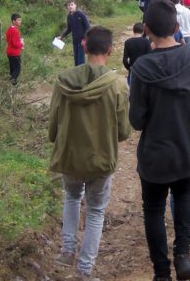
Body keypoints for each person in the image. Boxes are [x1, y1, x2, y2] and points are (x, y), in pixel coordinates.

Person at [130, 0, 190, 281]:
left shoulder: (141, 69)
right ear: (176, 26)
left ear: (146, 29)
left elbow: (136, 121)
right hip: (188, 151)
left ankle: (161, 273)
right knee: (185, 195)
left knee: (154, 210)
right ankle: (183, 254)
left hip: (154, 157)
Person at [49, 26, 130, 280]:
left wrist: (58, 140)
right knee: (95, 211)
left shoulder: (63, 80)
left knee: (72, 198)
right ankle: (85, 270)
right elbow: (124, 131)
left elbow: (53, 125)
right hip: (101, 159)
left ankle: (67, 252)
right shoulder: (117, 85)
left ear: (84, 46)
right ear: (110, 50)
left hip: (70, 158)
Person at [59, 0, 92, 66]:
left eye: (72, 4)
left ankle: (81, 74)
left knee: (80, 58)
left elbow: (88, 27)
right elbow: (69, 29)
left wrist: (85, 39)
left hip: (82, 40)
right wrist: (61, 36)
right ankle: (77, 73)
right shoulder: (69, 17)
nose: (70, 6)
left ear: (75, 5)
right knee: (76, 58)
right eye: (68, 5)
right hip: (75, 40)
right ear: (67, 7)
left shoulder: (80, 14)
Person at [5, 13, 24, 85]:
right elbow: (15, 44)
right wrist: (22, 44)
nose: (20, 21)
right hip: (15, 53)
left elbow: (8, 39)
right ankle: (11, 81)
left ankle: (13, 85)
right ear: (14, 21)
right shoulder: (16, 31)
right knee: (17, 69)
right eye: (18, 20)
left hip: (9, 52)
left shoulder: (10, 29)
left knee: (12, 69)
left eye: (20, 20)